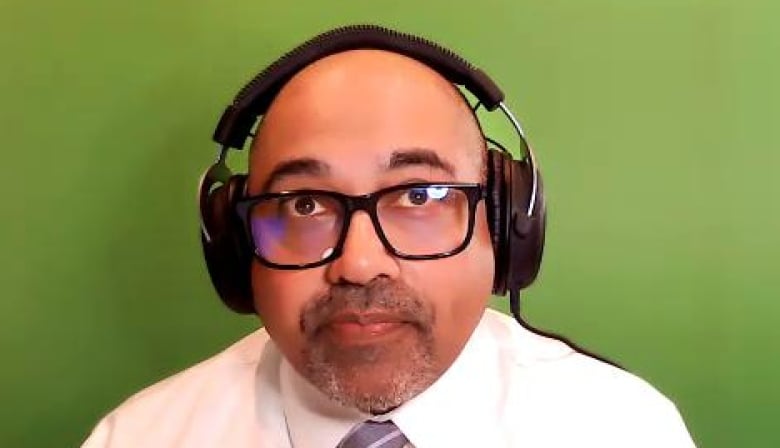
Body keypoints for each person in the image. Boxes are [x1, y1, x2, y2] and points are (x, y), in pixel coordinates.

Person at [83, 25, 696, 447]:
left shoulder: (623, 428)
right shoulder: (140, 437)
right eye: (304, 204)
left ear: (507, 226)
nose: (359, 262)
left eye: (418, 195)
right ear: (235, 245)